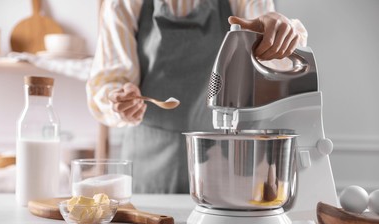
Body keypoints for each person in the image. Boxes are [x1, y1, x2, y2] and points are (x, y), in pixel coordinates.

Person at [86, 0, 308, 193]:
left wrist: (278, 33)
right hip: (149, 169)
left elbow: (273, 54)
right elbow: (109, 81)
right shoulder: (122, 3)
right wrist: (119, 100)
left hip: (225, 163)